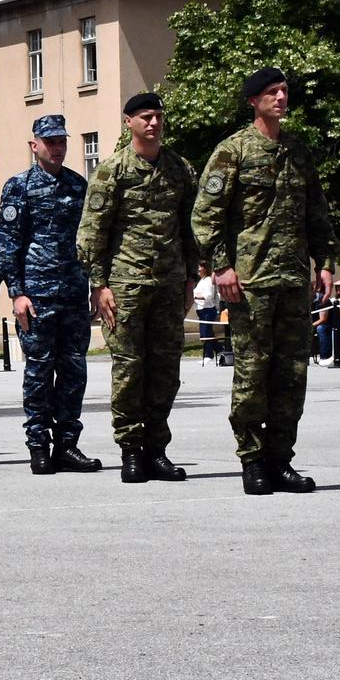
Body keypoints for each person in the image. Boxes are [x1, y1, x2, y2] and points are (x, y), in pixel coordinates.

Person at [192, 66, 334, 495]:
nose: (280, 98)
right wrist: (222, 267)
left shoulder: (297, 150)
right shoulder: (232, 151)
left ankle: (281, 460)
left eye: (284, 91)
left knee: (292, 374)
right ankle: (252, 460)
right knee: (252, 374)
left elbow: (316, 211)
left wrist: (324, 261)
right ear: (253, 100)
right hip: (249, 281)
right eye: (271, 92)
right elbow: (205, 217)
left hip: (292, 279)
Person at [77, 93, 200, 483]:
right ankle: (131, 449)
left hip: (168, 285)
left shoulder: (180, 169)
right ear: (128, 121)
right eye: (145, 117)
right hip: (125, 286)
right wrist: (99, 285)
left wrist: (190, 279)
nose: (153, 123)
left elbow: (190, 228)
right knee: (129, 370)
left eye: (159, 117)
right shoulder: (112, 171)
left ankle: (156, 450)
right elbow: (91, 233)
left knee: (165, 370)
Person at [0, 114, 101, 475]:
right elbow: (7, 245)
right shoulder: (19, 187)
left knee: (74, 372)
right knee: (39, 372)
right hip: (37, 298)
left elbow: (90, 240)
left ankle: (67, 445)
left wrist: (95, 286)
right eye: (50, 141)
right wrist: (17, 293)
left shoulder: (78, 185)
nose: (57, 147)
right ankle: (39, 445)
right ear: (34, 145)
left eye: (61, 141)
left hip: (73, 293)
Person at [194, 262, 221, 362]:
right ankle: (220, 351)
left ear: (205, 268)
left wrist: (195, 297)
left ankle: (208, 355)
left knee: (205, 334)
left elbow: (208, 296)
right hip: (201, 310)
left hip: (208, 310)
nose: (198, 269)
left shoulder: (208, 280)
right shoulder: (201, 280)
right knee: (208, 333)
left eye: (200, 267)